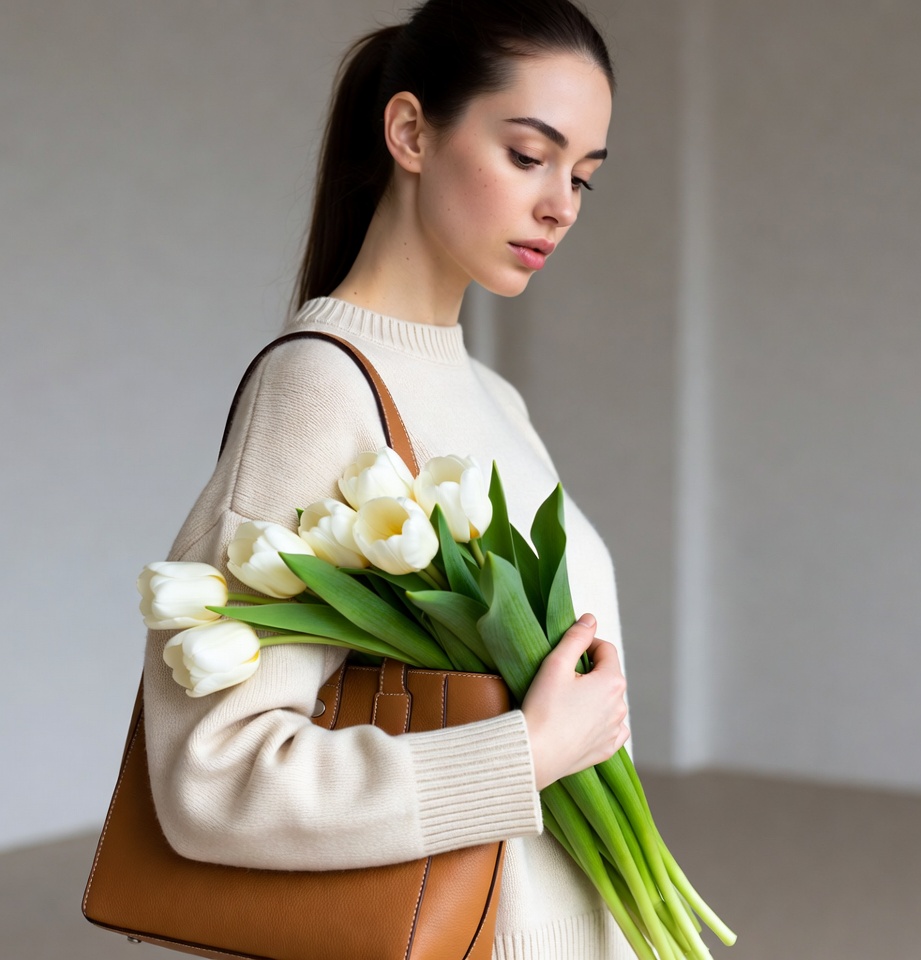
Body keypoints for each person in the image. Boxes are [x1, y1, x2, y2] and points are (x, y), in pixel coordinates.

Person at [143, 0, 633, 956]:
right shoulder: (319, 386)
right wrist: (523, 755)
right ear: (411, 130)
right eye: (529, 157)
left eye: (583, 177)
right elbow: (214, 778)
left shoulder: (493, 397)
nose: (560, 205)